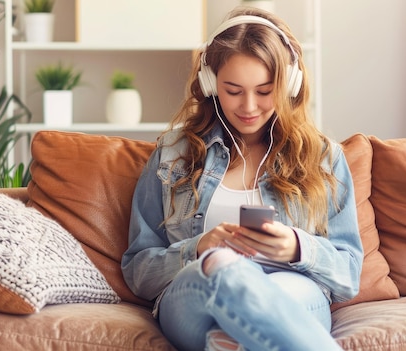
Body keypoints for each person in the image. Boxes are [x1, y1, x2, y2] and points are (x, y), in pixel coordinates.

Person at [121, 6, 363, 351]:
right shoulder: (174, 154)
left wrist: (297, 247)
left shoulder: (323, 158)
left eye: (265, 91)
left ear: (288, 84)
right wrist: (200, 248)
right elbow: (139, 271)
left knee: (234, 336)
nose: (249, 106)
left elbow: (348, 275)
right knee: (223, 266)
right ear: (210, 84)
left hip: (291, 292)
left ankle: (231, 341)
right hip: (196, 295)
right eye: (233, 90)